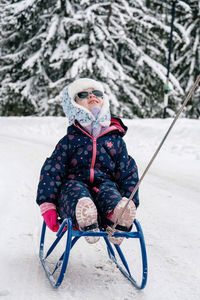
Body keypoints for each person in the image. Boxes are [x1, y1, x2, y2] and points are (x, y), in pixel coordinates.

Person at [36, 78, 139, 245]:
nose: (92, 96)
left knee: (109, 192)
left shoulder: (115, 140)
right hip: (73, 189)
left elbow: (127, 172)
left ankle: (118, 218)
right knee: (76, 192)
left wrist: (130, 199)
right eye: (83, 94)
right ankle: (86, 218)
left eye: (97, 93)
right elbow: (51, 171)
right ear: (73, 106)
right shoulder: (70, 140)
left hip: (104, 187)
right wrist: (47, 204)